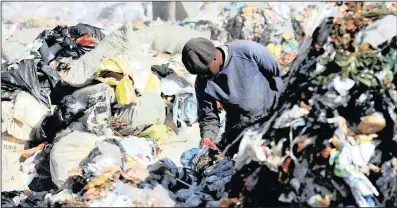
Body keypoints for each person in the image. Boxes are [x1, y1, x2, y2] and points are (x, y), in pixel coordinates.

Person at [182, 38, 285, 156]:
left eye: (205, 71)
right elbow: (208, 117)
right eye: (199, 73)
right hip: (238, 128)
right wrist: (208, 137)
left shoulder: (248, 51)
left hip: (270, 119)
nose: (204, 76)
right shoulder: (202, 82)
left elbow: (278, 77)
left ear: (214, 56)